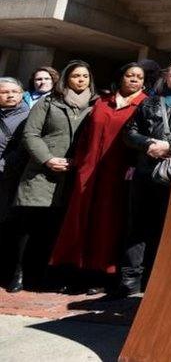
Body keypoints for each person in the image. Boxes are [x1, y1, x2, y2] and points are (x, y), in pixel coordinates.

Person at [49, 63, 147, 295]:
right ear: (120, 77)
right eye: (129, 75)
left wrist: (134, 166)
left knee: (107, 224)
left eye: (139, 77)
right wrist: (80, 162)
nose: (134, 79)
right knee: (80, 221)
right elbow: (85, 136)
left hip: (118, 175)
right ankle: (77, 273)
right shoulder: (102, 102)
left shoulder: (145, 103)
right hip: (89, 172)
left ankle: (101, 276)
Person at [117, 58, 171, 297]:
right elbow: (129, 132)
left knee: (168, 228)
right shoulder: (149, 102)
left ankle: (157, 280)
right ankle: (129, 281)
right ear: (167, 75)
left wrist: (170, 146)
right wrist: (148, 144)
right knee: (137, 227)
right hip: (145, 171)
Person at [8, 61, 96, 293]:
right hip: (42, 171)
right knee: (30, 225)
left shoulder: (95, 105)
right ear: (66, 78)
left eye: (85, 76)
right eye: (76, 76)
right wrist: (47, 159)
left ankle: (46, 274)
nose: (80, 80)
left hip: (74, 174)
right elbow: (31, 133)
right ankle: (19, 273)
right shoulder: (49, 102)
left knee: (55, 227)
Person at [0, 78, 29, 221]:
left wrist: (3, 165)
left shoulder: (30, 117)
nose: (10, 95)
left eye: (15, 92)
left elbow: (25, 149)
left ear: (22, 94)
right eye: (4, 92)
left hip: (8, 177)